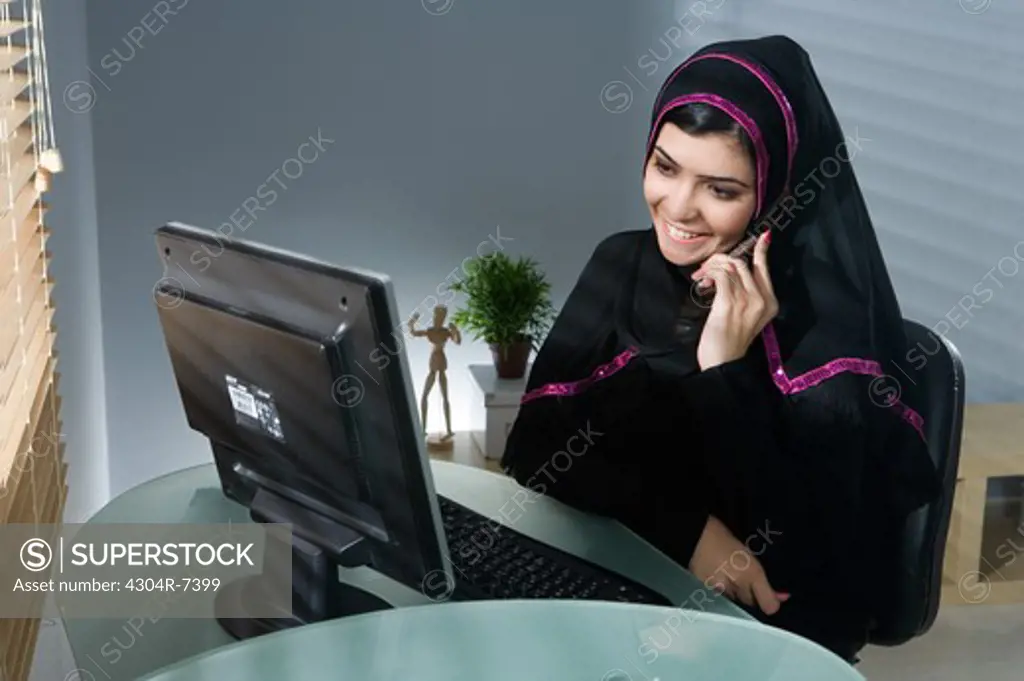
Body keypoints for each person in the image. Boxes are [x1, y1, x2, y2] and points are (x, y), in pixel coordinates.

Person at [501, 35, 941, 663]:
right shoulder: (622, 263)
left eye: (722, 190)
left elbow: (796, 566)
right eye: (665, 166)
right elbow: (534, 447)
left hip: (759, 645)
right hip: (621, 586)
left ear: (780, 190)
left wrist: (723, 373)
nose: (678, 208)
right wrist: (689, 531)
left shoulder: (832, 337)